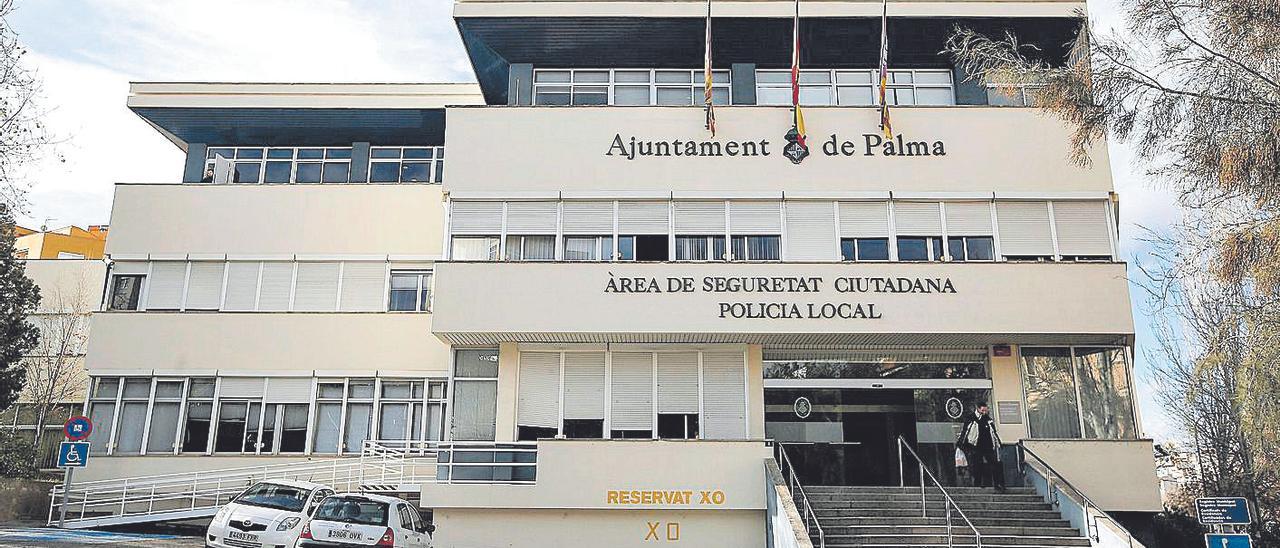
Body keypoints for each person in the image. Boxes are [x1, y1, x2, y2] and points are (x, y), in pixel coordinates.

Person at [956, 402, 1006, 491]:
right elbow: (965, 431)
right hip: (976, 446)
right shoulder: (971, 418)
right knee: (977, 465)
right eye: (982, 410)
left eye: (985, 410)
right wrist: (961, 443)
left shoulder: (988, 419)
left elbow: (994, 432)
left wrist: (998, 443)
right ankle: (978, 484)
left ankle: (998, 484)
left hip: (988, 446)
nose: (984, 412)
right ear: (978, 409)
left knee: (995, 463)